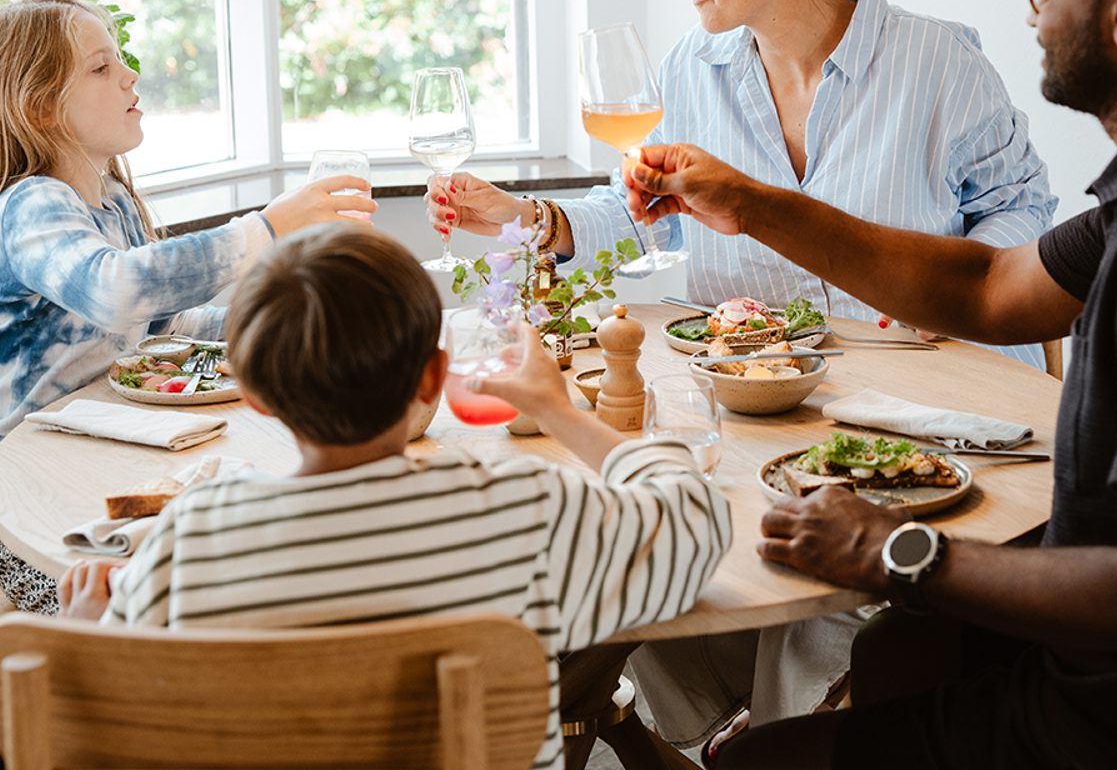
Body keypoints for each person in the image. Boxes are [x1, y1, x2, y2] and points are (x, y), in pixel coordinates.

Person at [621, 0, 1117, 769]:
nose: (1031, 14)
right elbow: (988, 285)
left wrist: (898, 553)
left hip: (1112, 714)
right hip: (1071, 645)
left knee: (758, 756)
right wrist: (755, 203)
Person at [426, 0, 1055, 370]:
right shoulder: (691, 68)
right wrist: (529, 219)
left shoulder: (938, 64)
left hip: (932, 385)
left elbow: (1022, 211)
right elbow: (637, 212)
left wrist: (951, 292)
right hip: (758, 395)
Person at [57, 223, 732, 770]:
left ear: (255, 398)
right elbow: (695, 521)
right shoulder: (521, 509)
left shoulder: (188, 542)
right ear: (434, 378)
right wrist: (558, 410)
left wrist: (85, 639)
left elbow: (111, 733)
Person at [0, 0, 375, 610]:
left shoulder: (111, 199)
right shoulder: (30, 205)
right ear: (41, 108)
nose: (129, 76)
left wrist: (299, 323)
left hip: (104, 452)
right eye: (100, 68)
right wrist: (268, 228)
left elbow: (167, 325)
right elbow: (117, 290)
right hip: (33, 508)